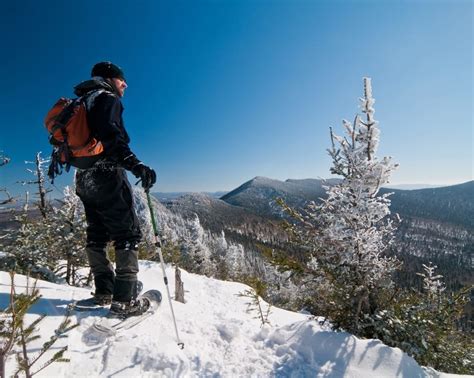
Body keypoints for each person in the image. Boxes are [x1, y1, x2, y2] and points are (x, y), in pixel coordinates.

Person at [73, 62, 156, 317]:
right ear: (110, 78)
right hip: (107, 176)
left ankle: (104, 291)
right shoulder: (106, 98)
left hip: (84, 179)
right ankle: (124, 301)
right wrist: (135, 164)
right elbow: (112, 136)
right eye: (122, 79)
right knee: (126, 234)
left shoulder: (82, 102)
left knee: (96, 233)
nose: (125, 84)